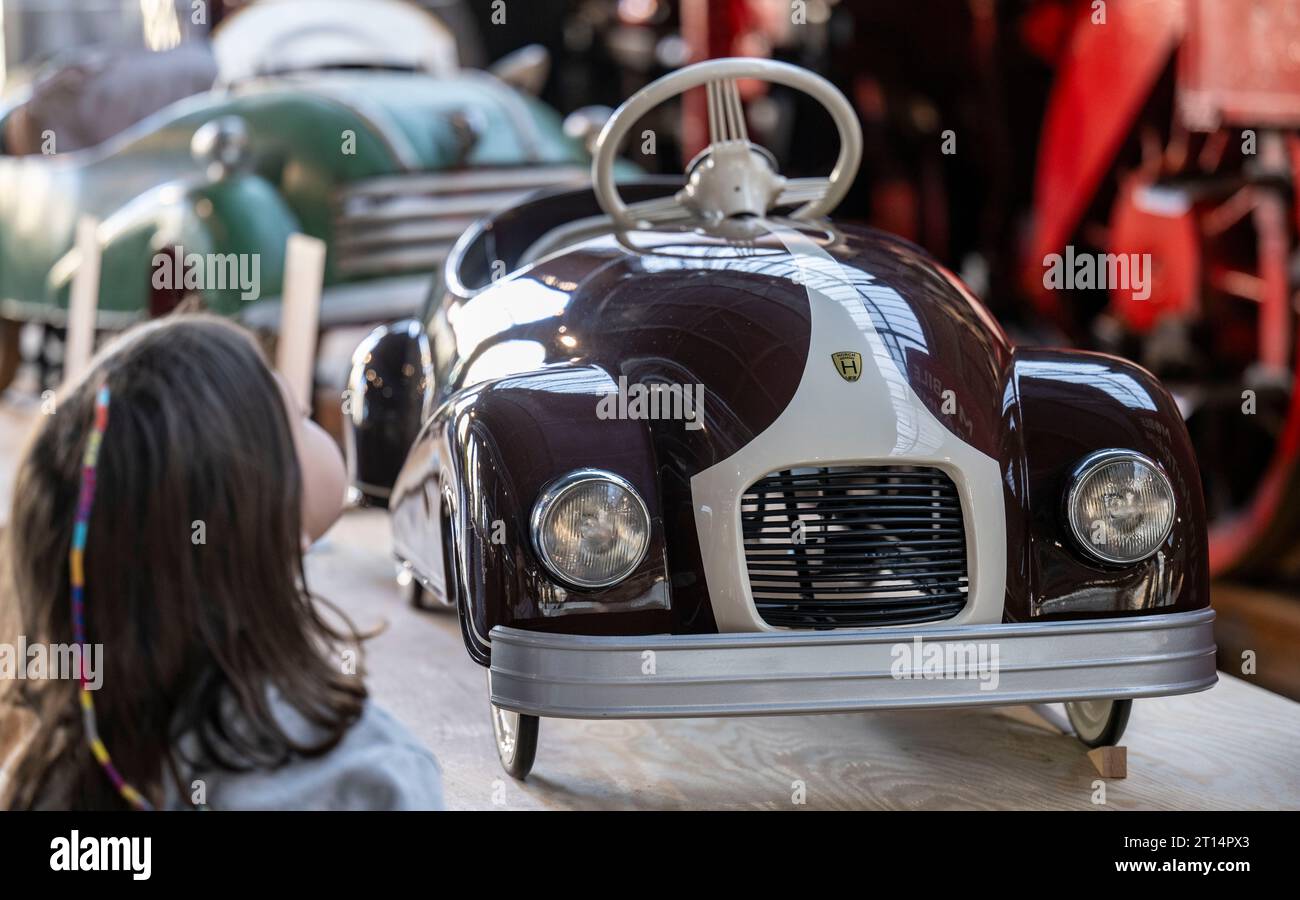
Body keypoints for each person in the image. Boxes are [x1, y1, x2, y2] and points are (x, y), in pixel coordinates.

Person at [0, 314, 443, 810]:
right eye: (297, 417)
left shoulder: (47, 778)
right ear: (275, 533)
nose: (311, 420)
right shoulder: (370, 774)